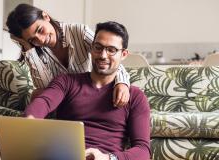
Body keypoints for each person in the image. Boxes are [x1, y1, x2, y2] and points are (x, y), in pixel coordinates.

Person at [25, 21, 151, 160]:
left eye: (111, 50)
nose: (103, 55)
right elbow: (44, 101)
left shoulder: (135, 97)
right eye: (98, 47)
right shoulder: (67, 82)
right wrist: (29, 120)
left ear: (124, 54)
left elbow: (143, 151)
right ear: (91, 48)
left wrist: (107, 158)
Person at [6, 3, 130, 107]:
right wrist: (28, 47)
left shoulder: (79, 32)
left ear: (45, 16)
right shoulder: (36, 51)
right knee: (37, 94)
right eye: (33, 39)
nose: (41, 40)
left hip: (89, 92)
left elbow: (109, 56)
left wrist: (122, 83)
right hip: (64, 99)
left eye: (40, 30)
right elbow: (45, 89)